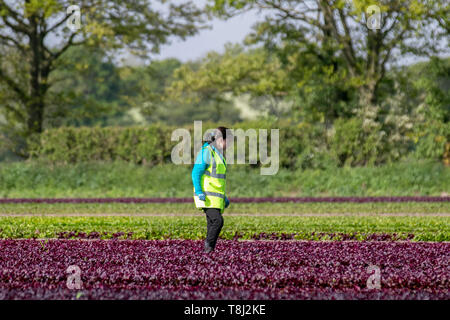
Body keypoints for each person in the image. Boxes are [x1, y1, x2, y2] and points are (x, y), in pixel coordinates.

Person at [192, 126, 231, 253]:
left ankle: (208, 251)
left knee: (212, 224)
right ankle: (208, 248)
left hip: (215, 198)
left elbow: (218, 180)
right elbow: (196, 172)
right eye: (228, 141)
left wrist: (223, 196)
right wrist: (198, 191)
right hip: (206, 196)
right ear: (220, 139)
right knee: (217, 221)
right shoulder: (207, 152)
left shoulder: (219, 155)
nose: (229, 144)